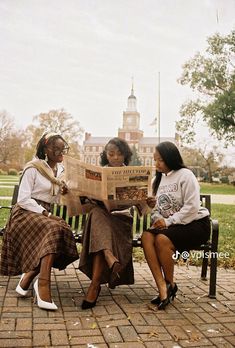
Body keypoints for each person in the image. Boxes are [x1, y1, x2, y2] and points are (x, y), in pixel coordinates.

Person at [0, 132, 79, 310]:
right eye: (56, 148)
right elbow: (23, 199)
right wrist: (47, 214)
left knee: (61, 229)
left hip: (44, 217)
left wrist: (64, 194)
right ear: (46, 149)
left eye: (62, 148)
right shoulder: (33, 168)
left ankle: (28, 278)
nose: (61, 151)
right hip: (25, 214)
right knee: (54, 228)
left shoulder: (62, 172)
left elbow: (54, 199)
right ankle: (43, 284)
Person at [141, 141, 210, 310]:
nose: (156, 164)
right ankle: (163, 287)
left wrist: (168, 221)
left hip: (195, 224)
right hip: (171, 226)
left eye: (160, 160)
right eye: (155, 159)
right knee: (147, 237)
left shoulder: (185, 175)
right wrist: (155, 212)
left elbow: (192, 207)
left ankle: (170, 283)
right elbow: (156, 211)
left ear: (171, 159)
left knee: (162, 240)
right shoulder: (157, 181)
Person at [79, 137, 134, 309]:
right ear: (106, 155)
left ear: (125, 155)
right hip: (101, 217)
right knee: (96, 212)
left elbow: (141, 205)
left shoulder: (132, 174)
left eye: (119, 154)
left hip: (121, 220)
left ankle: (94, 286)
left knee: (97, 223)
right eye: (111, 154)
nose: (115, 158)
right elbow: (83, 200)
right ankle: (108, 257)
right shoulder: (99, 173)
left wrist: (145, 200)